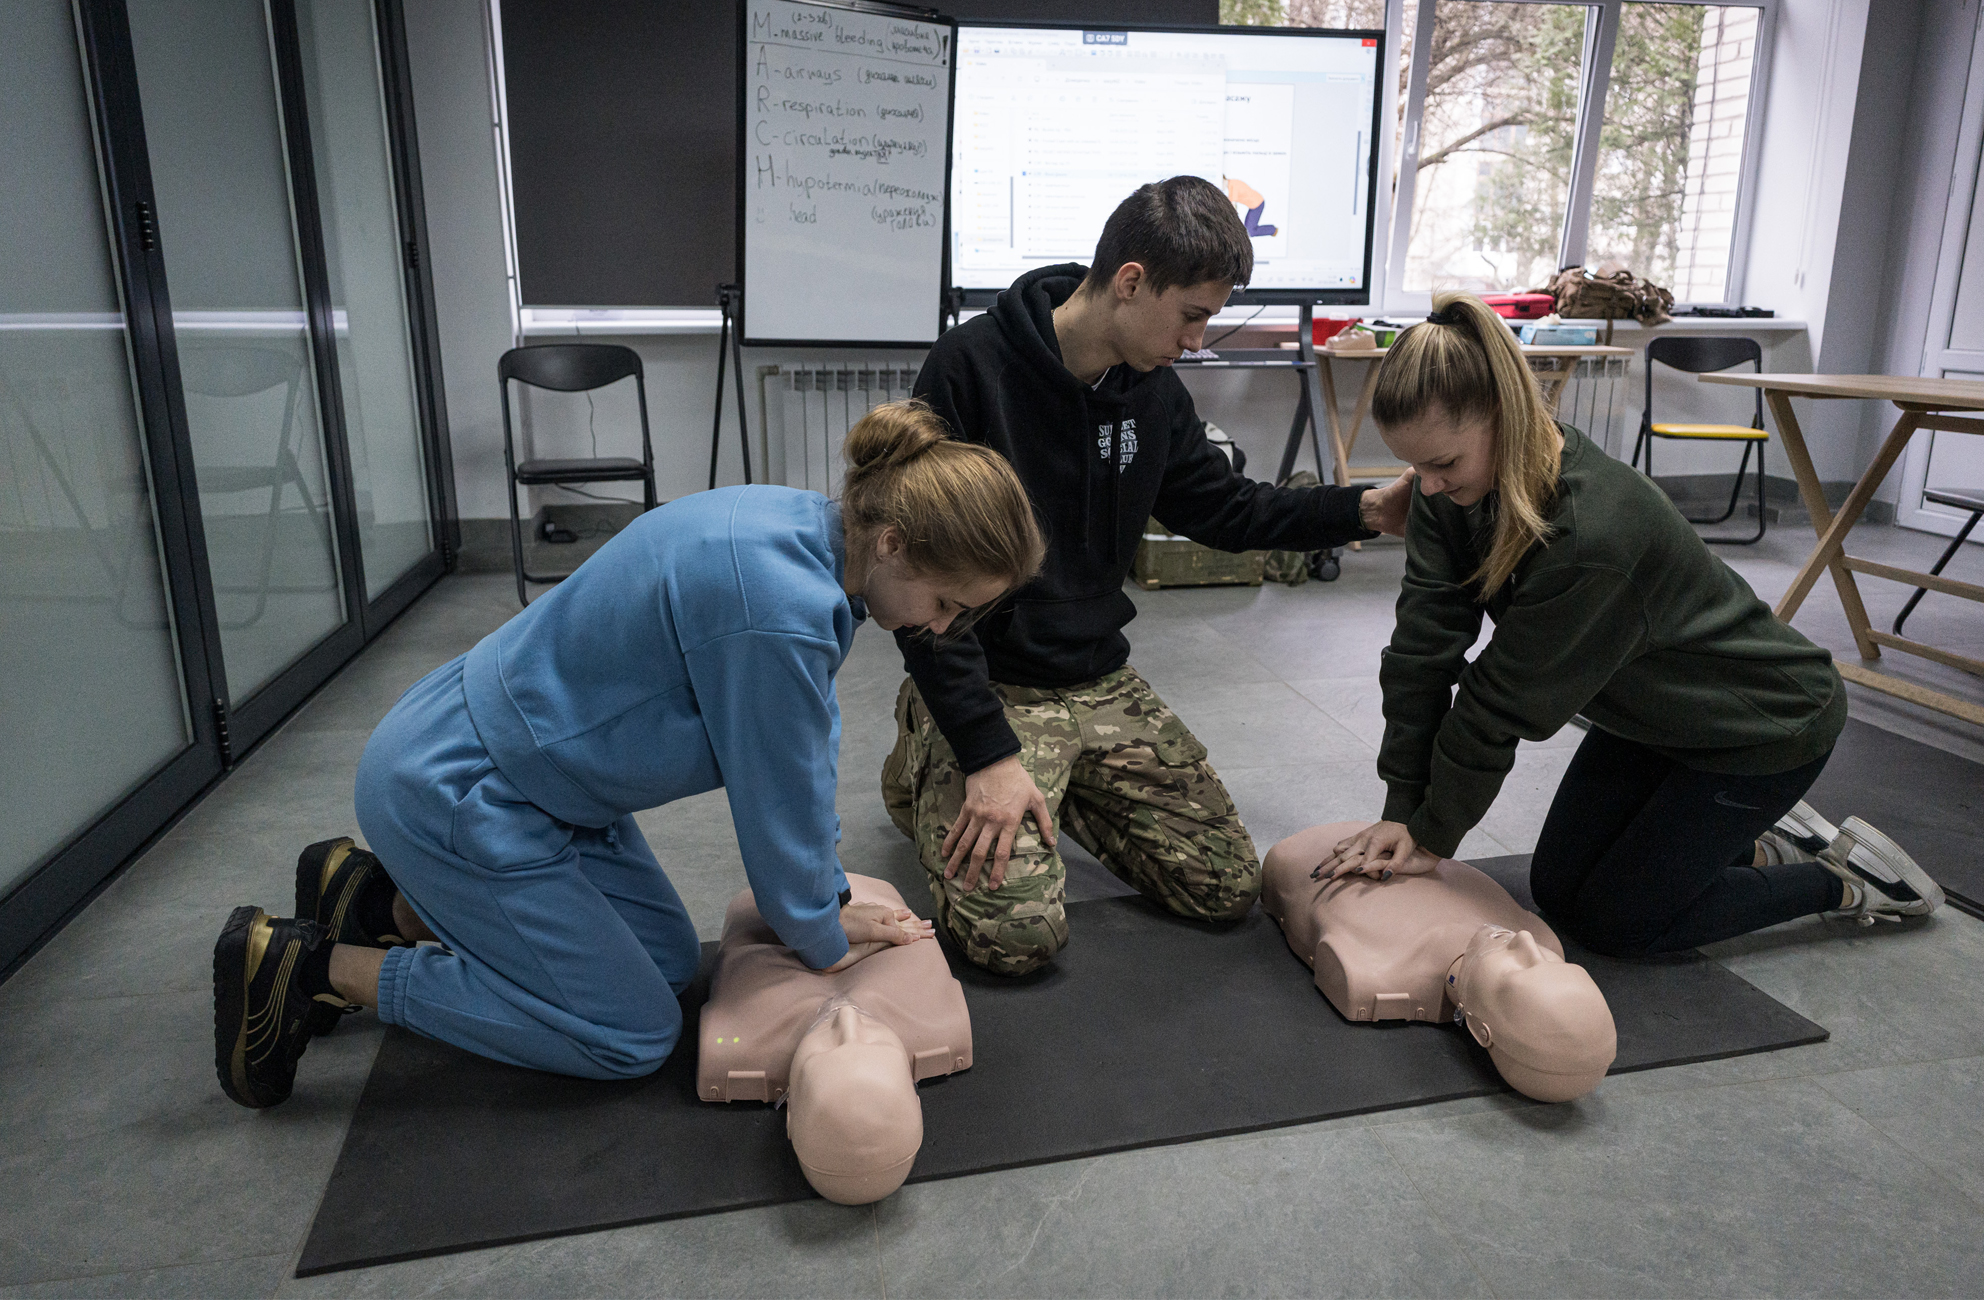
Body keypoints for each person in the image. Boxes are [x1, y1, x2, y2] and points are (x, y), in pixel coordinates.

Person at [212, 401, 1042, 1108]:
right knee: (630, 1034)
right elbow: (780, 801)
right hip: (461, 790)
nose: (940, 629)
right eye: (944, 604)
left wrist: (823, 898)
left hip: (531, 780)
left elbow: (798, 765)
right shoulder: (780, 612)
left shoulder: (799, 523)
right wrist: (824, 933)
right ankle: (311, 966)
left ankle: (375, 903)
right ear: (894, 542)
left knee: (673, 964)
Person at [882, 175, 1417, 977]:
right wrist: (987, 752)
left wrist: (1368, 509)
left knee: (1224, 886)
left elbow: (1229, 511)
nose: (1198, 341)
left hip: (1096, 679)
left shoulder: (1152, 394)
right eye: (1192, 315)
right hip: (991, 684)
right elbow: (921, 581)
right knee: (1016, 941)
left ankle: (1048, 783)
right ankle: (929, 757)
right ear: (1131, 282)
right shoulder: (970, 368)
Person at [1318, 292, 1944, 957]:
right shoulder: (1452, 489)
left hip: (1762, 724)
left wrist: (1432, 835)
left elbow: (1497, 703)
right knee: (1559, 893)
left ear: (1507, 416)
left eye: (1443, 464)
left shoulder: (1594, 534)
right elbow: (1420, 653)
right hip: (1654, 717)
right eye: (1417, 467)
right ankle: (1750, 843)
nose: (1428, 487)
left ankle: (1841, 881)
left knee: (1623, 924)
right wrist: (1401, 811)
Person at [1263, 821, 1617, 1103]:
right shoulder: (1538, 936)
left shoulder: (1374, 971)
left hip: (1297, 855)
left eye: (1520, 969)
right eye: (1553, 963)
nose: (1525, 942)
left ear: (1481, 1031)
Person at [698, 873, 970, 1204]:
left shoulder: (728, 1043)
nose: (847, 1019)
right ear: (916, 1098)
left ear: (790, 1117)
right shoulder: (940, 1018)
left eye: (826, 1048)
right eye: (877, 1043)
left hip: (762, 903)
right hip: (866, 898)